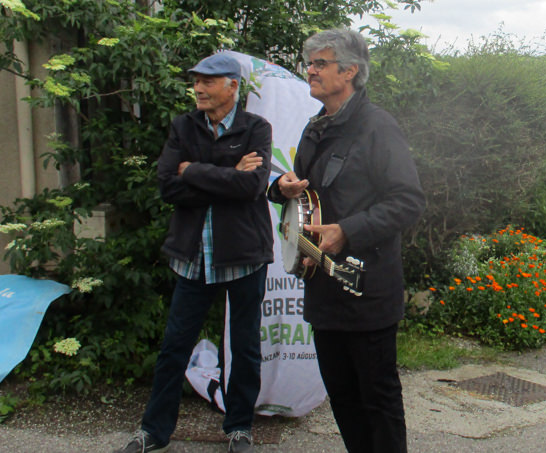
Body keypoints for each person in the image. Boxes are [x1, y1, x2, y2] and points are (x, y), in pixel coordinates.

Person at [268, 28, 425, 453]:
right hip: (323, 286)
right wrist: (281, 189)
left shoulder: (378, 127)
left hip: (368, 291)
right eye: (311, 63)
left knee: (377, 400)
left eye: (320, 63)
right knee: (343, 398)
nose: (311, 71)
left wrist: (349, 230)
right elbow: (309, 196)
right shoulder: (315, 127)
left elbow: (408, 201)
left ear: (350, 71)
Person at [116, 52, 273, 453]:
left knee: (245, 346)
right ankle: (153, 431)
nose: (198, 89)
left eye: (208, 81)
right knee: (174, 346)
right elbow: (168, 186)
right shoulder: (183, 126)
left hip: (243, 254)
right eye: (196, 81)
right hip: (193, 255)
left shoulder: (255, 128)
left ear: (232, 86)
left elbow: (252, 188)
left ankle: (239, 427)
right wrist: (225, 173)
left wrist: (194, 170)